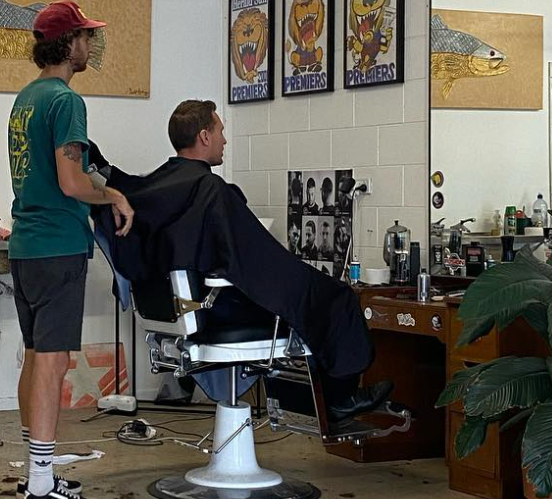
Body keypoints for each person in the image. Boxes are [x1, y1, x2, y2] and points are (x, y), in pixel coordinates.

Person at [94, 99, 392, 421]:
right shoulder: (209, 190)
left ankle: (319, 401)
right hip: (218, 310)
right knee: (334, 296)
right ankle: (341, 397)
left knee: (307, 297)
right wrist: (306, 280)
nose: (225, 140)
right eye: (221, 131)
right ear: (205, 137)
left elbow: (122, 188)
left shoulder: (150, 186)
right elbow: (260, 261)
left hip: (183, 308)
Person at [7, 0, 134, 499]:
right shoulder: (65, 101)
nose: (90, 45)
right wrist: (116, 196)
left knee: (38, 355)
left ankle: (37, 472)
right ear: (68, 44)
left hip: (25, 245)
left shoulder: (25, 98)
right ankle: (41, 488)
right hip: (58, 244)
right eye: (85, 36)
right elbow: (72, 182)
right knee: (53, 360)